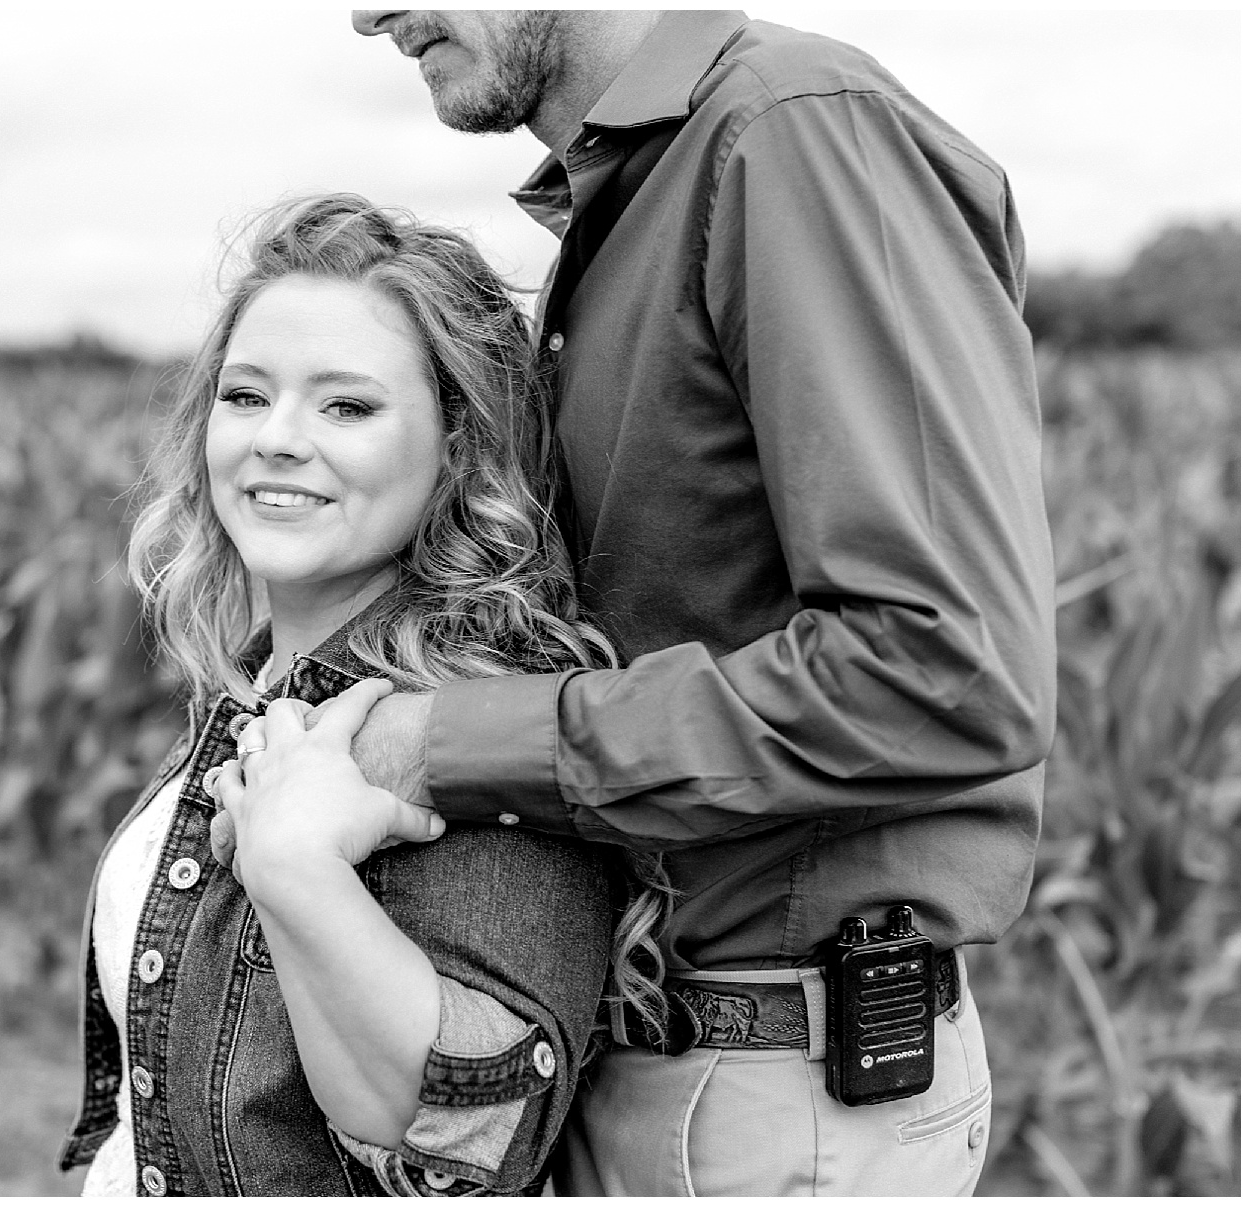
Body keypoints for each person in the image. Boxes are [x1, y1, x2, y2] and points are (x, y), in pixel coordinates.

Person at [282, 9, 1055, 1196]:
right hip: (648, 1061)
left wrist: (438, 746)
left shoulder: (792, 133)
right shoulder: (644, 192)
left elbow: (939, 676)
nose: (365, 11)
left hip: (764, 1097)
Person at [57, 194, 671, 1196]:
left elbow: (465, 1140)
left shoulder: (470, 716)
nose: (278, 440)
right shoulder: (260, 687)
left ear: (457, 448)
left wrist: (298, 866)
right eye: (247, 396)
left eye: (347, 405)